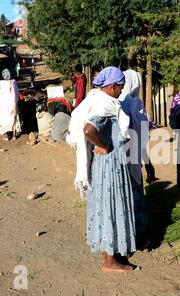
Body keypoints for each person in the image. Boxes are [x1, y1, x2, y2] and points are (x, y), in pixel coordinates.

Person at [67, 66, 136, 272]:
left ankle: (114, 252)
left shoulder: (99, 100)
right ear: (112, 86)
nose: (122, 92)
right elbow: (88, 129)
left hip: (109, 166)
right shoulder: (104, 105)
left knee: (108, 205)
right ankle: (109, 261)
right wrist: (105, 146)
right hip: (110, 166)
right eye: (120, 88)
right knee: (111, 207)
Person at [118, 68, 154, 241]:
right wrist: (148, 163)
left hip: (115, 157)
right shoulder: (134, 104)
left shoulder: (115, 101)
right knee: (135, 192)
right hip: (132, 155)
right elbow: (143, 135)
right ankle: (138, 233)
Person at [0, 69, 21, 141]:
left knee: (3, 119)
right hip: (13, 105)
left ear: (3, 75)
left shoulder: (0, 83)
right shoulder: (13, 82)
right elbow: (16, 93)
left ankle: (6, 135)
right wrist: (15, 103)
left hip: (3, 106)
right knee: (15, 119)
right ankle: (14, 135)